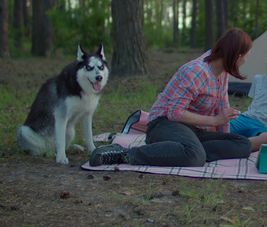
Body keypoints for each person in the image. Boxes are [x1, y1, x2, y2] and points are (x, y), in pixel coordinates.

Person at [89, 28, 253, 167]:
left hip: (192, 130)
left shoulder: (222, 72)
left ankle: (178, 151)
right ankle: (125, 154)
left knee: (243, 144)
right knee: (195, 155)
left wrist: (224, 136)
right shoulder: (197, 71)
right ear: (238, 56)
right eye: (247, 56)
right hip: (163, 124)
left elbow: (222, 111)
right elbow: (174, 113)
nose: (247, 60)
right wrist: (214, 121)